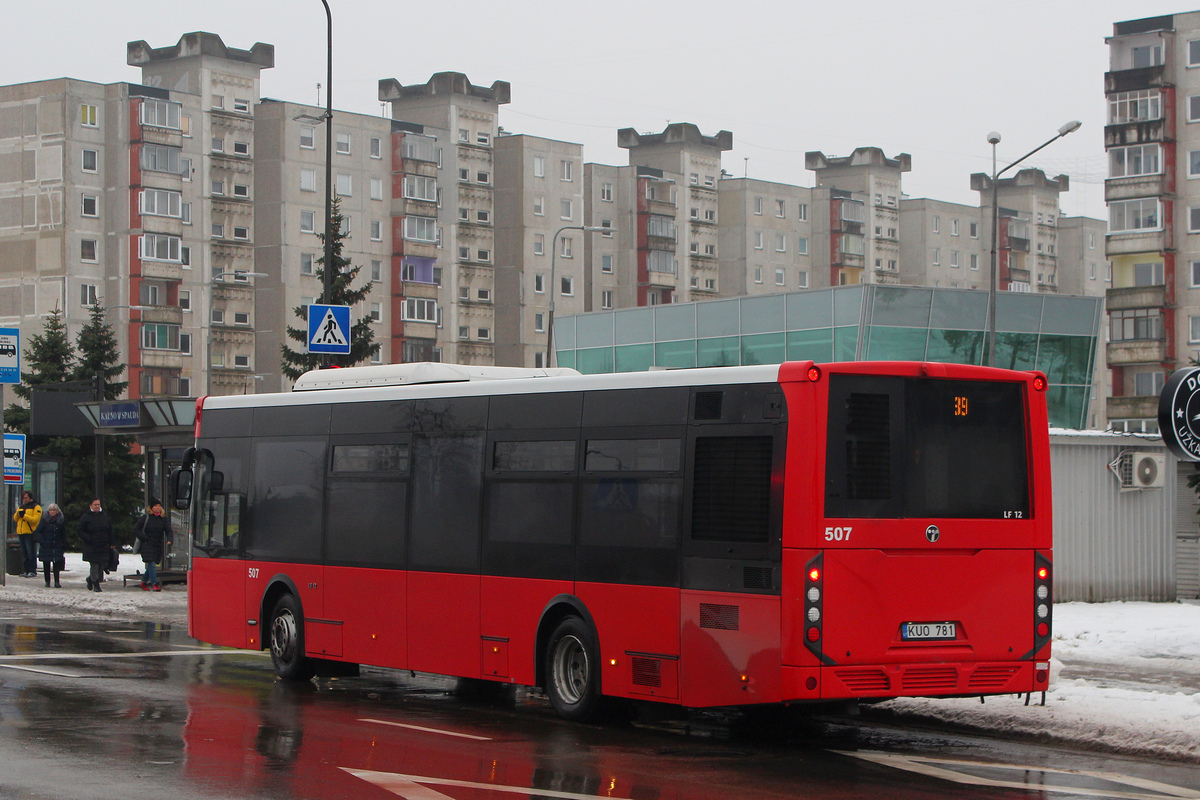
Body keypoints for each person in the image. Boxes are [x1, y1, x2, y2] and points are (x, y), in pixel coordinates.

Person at [134, 497, 173, 591]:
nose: (158, 507)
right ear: (151, 508)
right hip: (147, 544)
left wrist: (170, 539)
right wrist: (144, 538)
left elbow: (168, 530)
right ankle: (154, 583)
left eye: (159, 506)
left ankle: (143, 582)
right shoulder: (146, 517)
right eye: (155, 506)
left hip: (157, 545)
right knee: (151, 564)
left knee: (153, 564)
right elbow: (136, 530)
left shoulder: (163, 518)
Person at [77, 498, 112, 592]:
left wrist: (111, 542)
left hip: (103, 544)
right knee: (94, 565)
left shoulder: (104, 516)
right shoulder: (86, 517)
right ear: (90, 505)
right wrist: (88, 539)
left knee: (102, 565)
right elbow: (80, 530)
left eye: (98, 504)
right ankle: (96, 584)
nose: (97, 506)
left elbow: (110, 529)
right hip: (91, 545)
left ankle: (90, 579)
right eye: (95, 504)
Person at [35, 503, 67, 588]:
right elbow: (38, 531)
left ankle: (57, 581)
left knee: (57, 564)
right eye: (51, 510)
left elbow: (63, 533)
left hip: (57, 545)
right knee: (46, 564)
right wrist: (42, 542)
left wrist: (64, 543)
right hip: (46, 545)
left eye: (54, 510)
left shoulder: (60, 520)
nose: (52, 512)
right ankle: (47, 581)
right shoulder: (44, 520)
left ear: (57, 511)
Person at [13, 491, 42, 578]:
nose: (24, 500)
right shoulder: (21, 506)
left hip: (30, 532)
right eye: (23, 498)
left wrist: (24, 516)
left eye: (26, 498)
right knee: (24, 553)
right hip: (21, 532)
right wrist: (19, 514)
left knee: (31, 552)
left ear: (30, 498)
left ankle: (32, 570)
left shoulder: (36, 507)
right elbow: (15, 518)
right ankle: (26, 570)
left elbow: (35, 520)